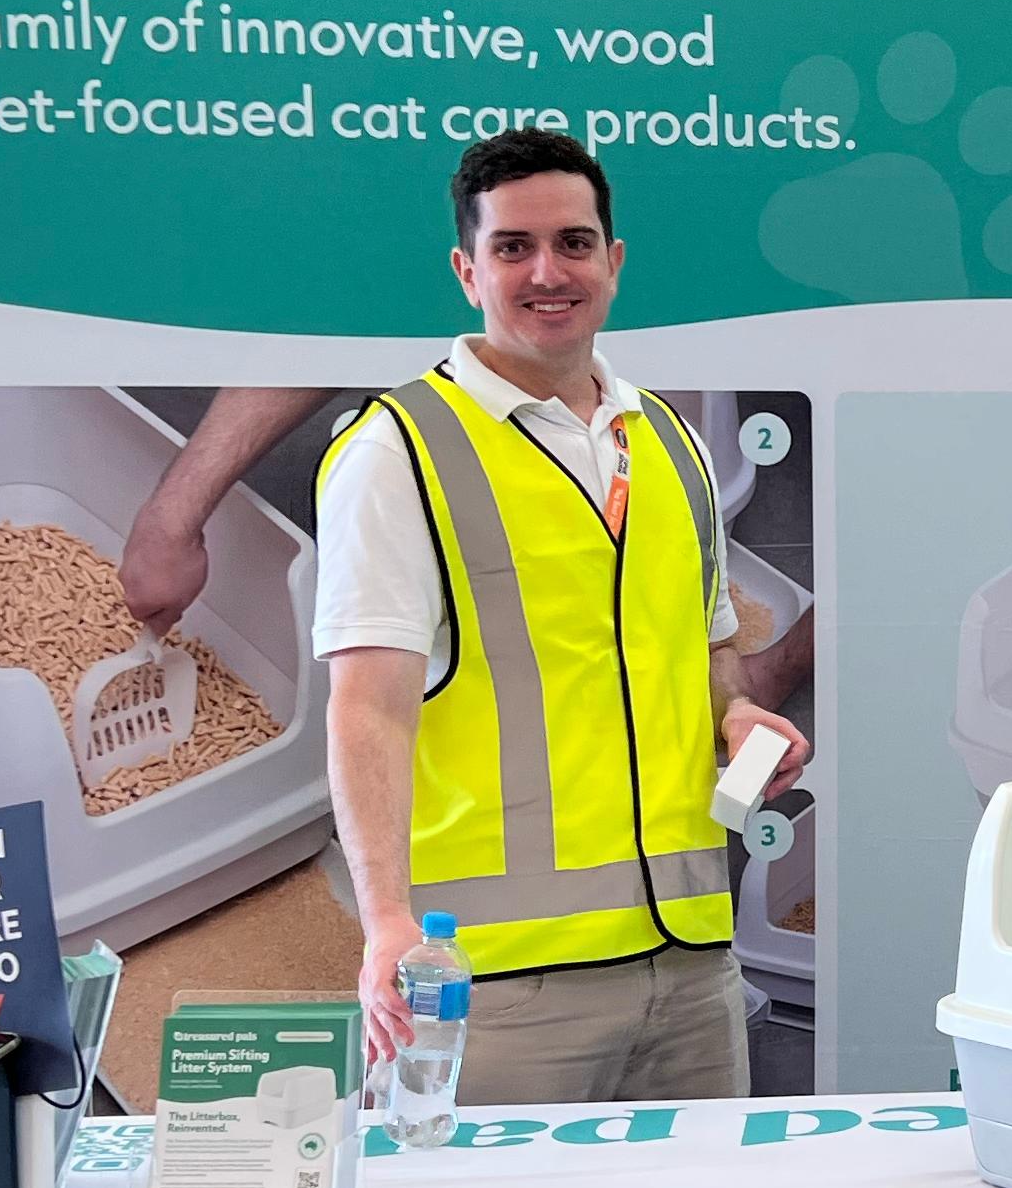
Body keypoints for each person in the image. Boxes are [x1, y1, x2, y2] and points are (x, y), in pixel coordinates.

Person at [314, 130, 804, 1105]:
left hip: (692, 965)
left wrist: (735, 716)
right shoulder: (396, 450)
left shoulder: (670, 443)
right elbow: (366, 709)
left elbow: (705, 651)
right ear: (468, 270)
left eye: (574, 243)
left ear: (613, 263)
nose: (548, 271)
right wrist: (385, 927)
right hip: (494, 986)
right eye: (513, 247)